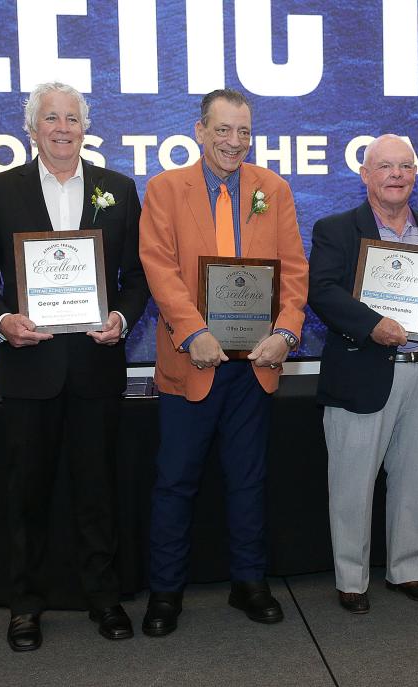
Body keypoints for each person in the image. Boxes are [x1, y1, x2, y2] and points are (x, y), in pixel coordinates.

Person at [0, 82, 150, 651]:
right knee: (28, 494)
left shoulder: (117, 189)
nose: (63, 127)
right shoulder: (2, 190)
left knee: (98, 490)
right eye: (51, 118)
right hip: (30, 368)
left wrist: (121, 316)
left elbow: (139, 278)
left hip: (95, 364)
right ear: (32, 128)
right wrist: (3, 322)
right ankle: (25, 605)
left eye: (72, 118)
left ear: (85, 128)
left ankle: (103, 596)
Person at [137, 88, 308, 634]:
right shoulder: (165, 190)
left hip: (254, 366)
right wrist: (193, 334)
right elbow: (159, 269)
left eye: (244, 133)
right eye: (224, 131)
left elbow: (294, 270)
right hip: (193, 365)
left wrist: (286, 331)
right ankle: (165, 594)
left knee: (248, 480)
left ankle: (249, 584)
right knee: (175, 483)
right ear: (200, 131)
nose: (235, 143)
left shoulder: (272, 189)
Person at [308, 134, 418, 614]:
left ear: (416, 175)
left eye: (405, 166)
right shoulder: (336, 229)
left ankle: (408, 570)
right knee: (352, 483)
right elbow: (322, 291)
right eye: (385, 167)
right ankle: (352, 580)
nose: (396, 174)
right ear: (365, 176)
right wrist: (371, 325)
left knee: (416, 477)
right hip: (363, 370)